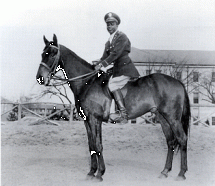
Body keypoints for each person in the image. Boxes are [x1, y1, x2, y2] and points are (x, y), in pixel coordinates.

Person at [94, 12, 140, 124]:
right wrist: (96, 64)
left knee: (113, 84)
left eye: (112, 24)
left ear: (117, 25)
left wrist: (102, 64)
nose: (109, 26)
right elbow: (104, 57)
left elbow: (115, 54)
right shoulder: (108, 42)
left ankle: (123, 114)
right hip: (117, 70)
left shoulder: (121, 37)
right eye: (108, 24)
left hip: (125, 68)